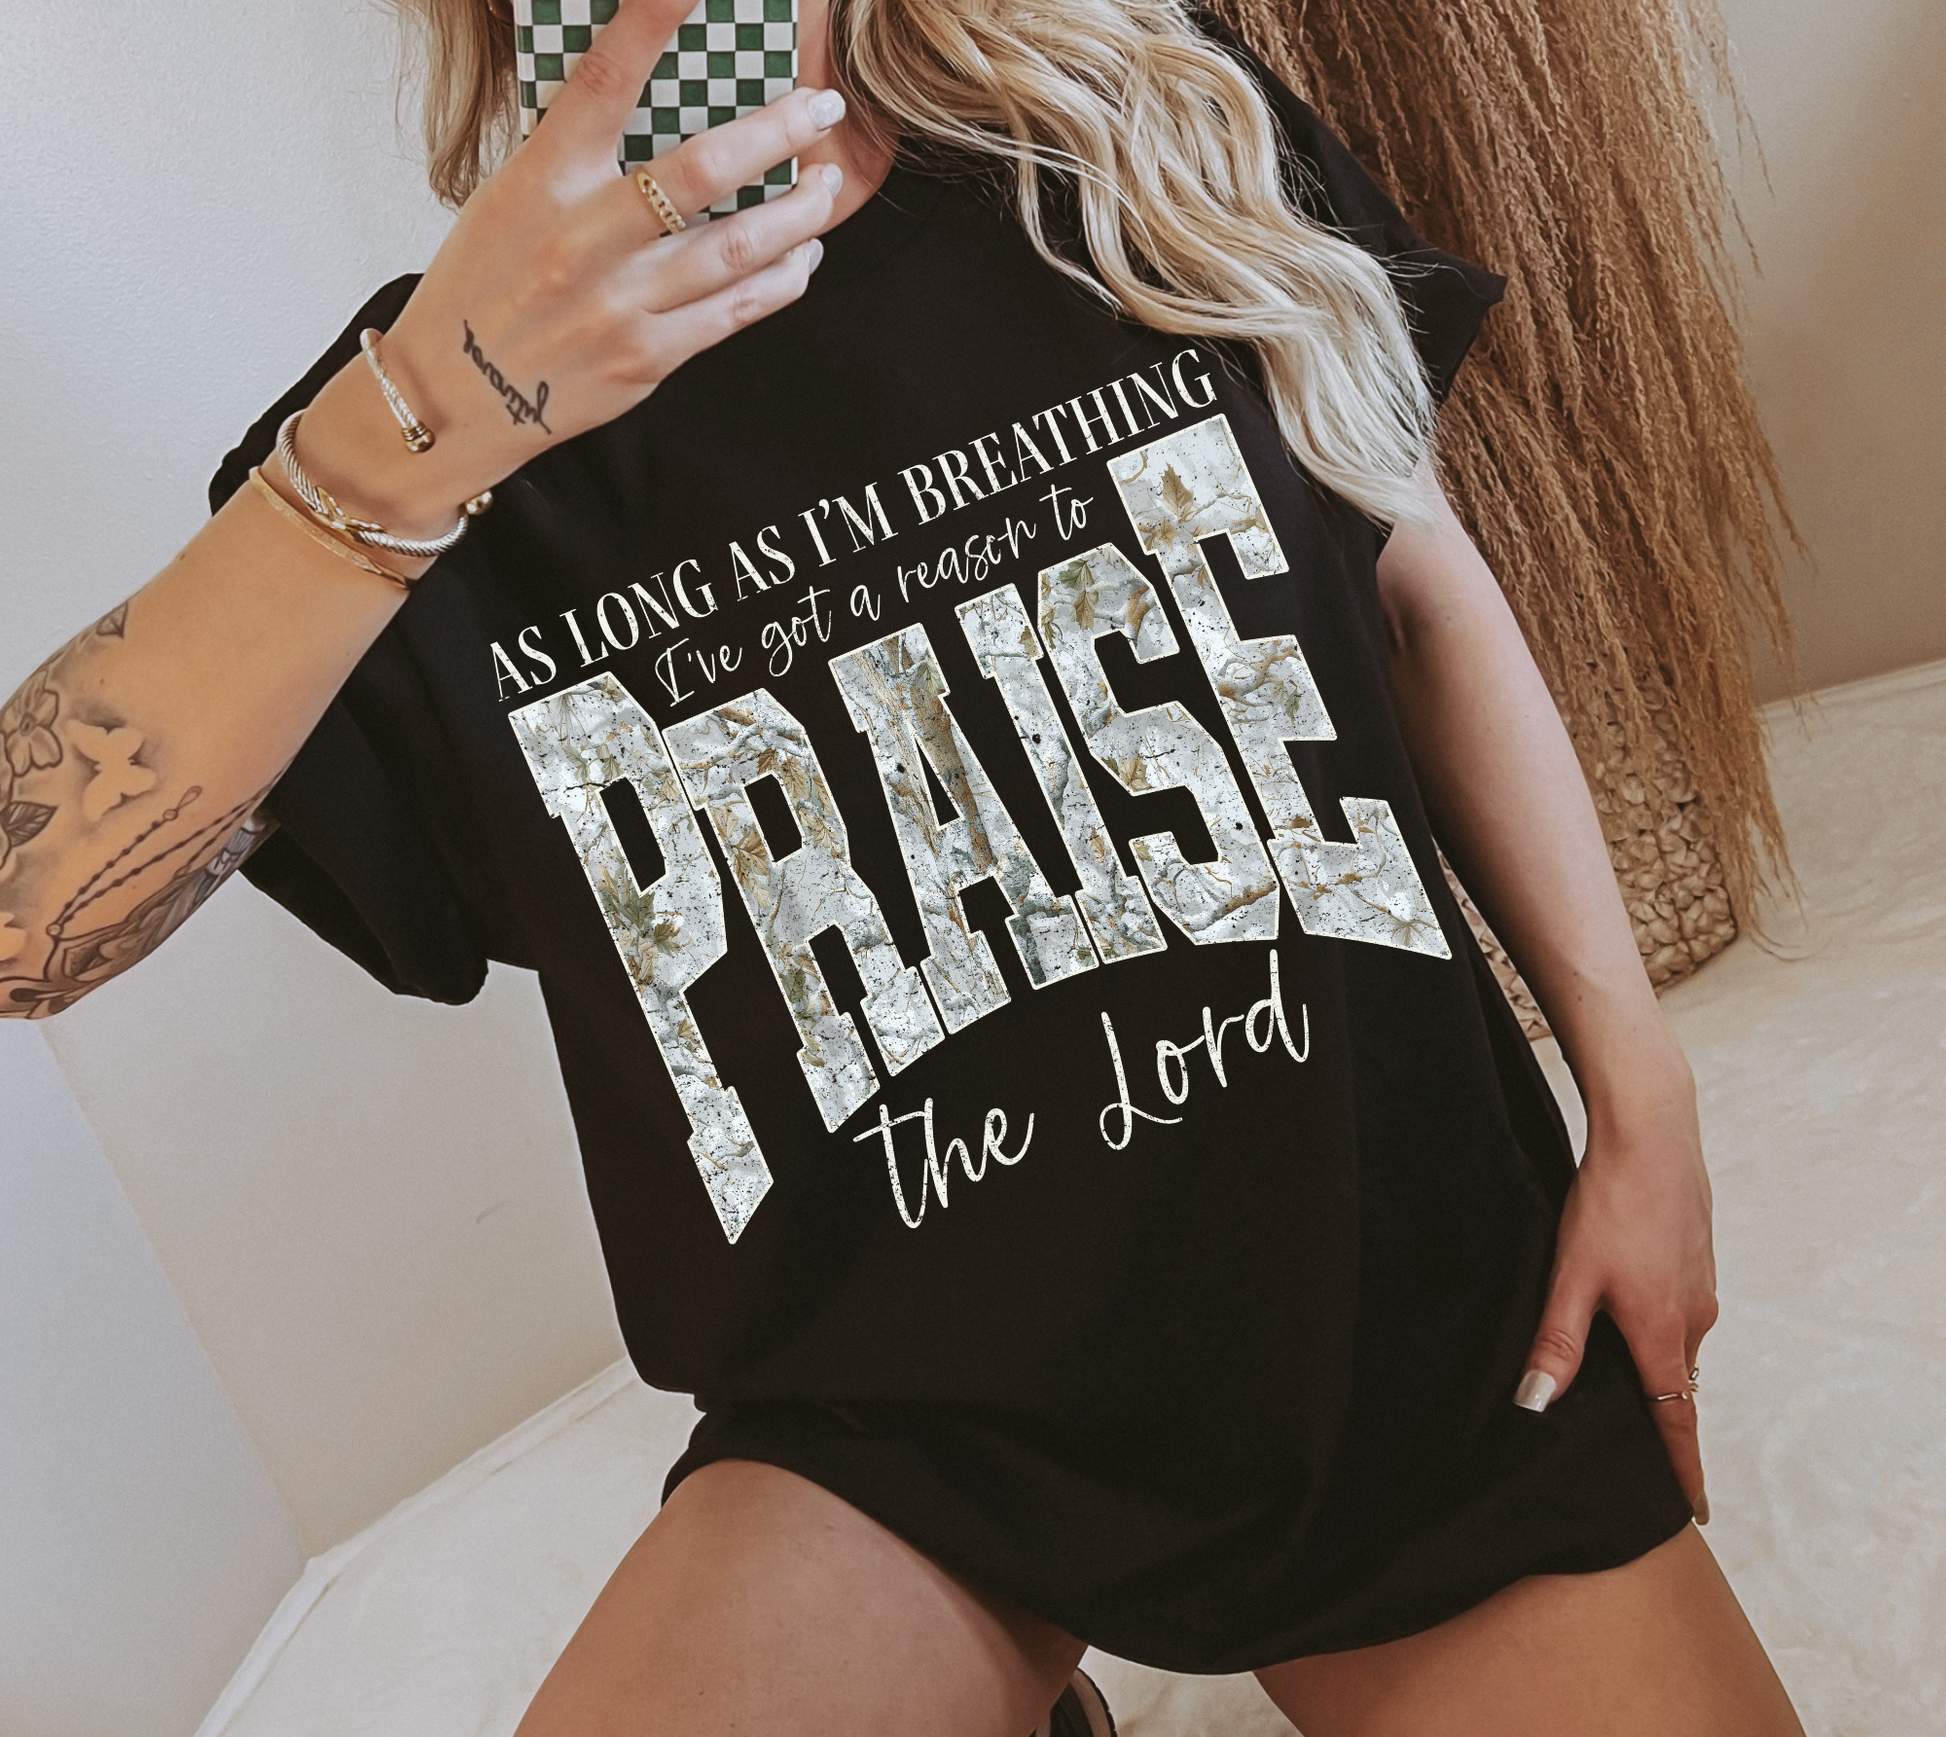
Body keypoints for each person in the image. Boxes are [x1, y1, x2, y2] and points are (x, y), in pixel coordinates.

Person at [0, 0, 1806, 1729]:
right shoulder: (408, 459)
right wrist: (425, 422)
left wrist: (1637, 1095)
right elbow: (24, 935)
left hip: (1394, 1290)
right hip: (899, 1431)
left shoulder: (1142, 130)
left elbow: (1412, 584)